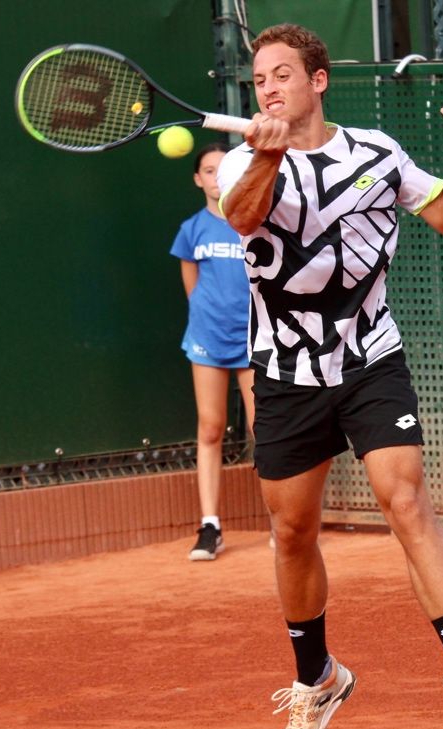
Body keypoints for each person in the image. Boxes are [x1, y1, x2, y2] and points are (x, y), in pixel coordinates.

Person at [216, 23, 443, 729]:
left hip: (369, 359)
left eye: (283, 74)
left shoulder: (377, 153)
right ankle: (317, 677)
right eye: (259, 80)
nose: (270, 89)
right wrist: (269, 152)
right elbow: (245, 216)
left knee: (403, 496)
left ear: (318, 81)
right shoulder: (242, 165)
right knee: (291, 531)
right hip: (284, 374)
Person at [170, 142, 255, 561]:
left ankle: (285, 522)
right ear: (197, 180)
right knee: (209, 427)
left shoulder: (253, 222)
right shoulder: (192, 229)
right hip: (207, 339)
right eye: (207, 170)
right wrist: (206, 319)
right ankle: (210, 526)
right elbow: (192, 284)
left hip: (254, 339)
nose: (215, 176)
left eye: (223, 168)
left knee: (266, 431)